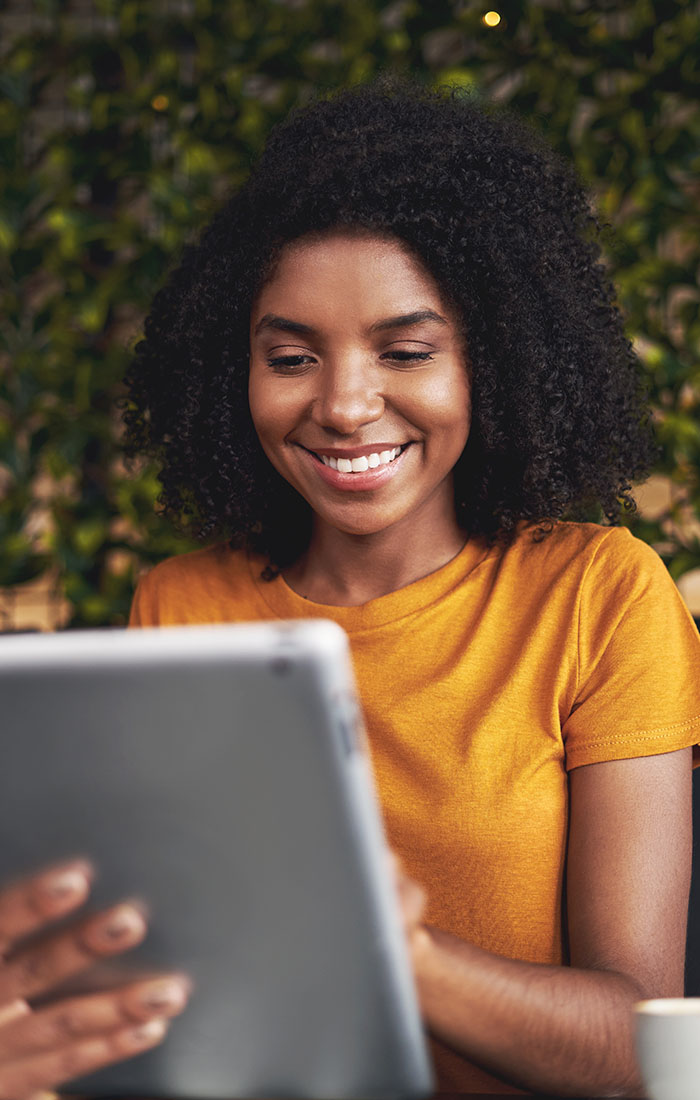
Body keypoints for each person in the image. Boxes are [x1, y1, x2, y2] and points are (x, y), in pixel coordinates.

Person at [2, 78, 698, 1098]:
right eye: (291, 357)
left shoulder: (597, 593)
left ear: (493, 363)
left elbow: (636, 1043)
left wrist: (393, 943)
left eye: (406, 351)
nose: (343, 403)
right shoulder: (181, 605)